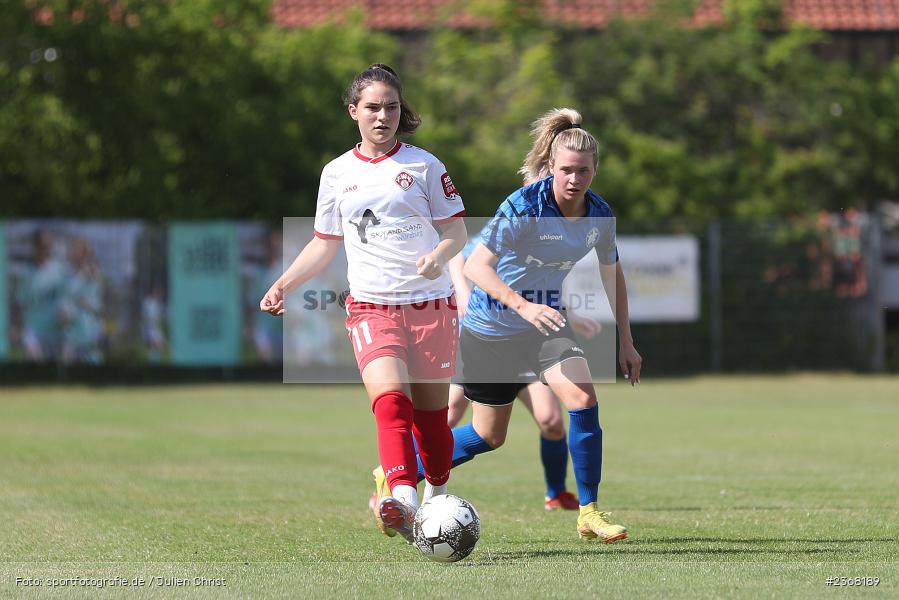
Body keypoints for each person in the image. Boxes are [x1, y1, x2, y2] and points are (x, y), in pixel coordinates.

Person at [381, 108, 641, 542]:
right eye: (566, 170)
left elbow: (612, 272)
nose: (574, 179)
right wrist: (524, 307)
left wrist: (626, 341)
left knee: (581, 397)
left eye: (583, 171)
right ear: (551, 168)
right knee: (488, 435)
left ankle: (589, 511)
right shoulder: (523, 205)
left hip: (544, 326)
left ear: (595, 170)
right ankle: (401, 469)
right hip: (491, 329)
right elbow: (477, 268)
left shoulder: (599, 214)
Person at [260, 64, 467, 543]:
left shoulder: (425, 166)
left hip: (431, 306)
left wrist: (438, 257)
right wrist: (284, 283)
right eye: (372, 107)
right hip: (371, 307)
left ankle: (437, 497)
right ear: (353, 111)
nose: (383, 116)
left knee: (432, 422)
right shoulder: (336, 173)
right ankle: (401, 499)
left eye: (391, 107)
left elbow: (456, 230)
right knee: (391, 401)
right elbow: (323, 243)